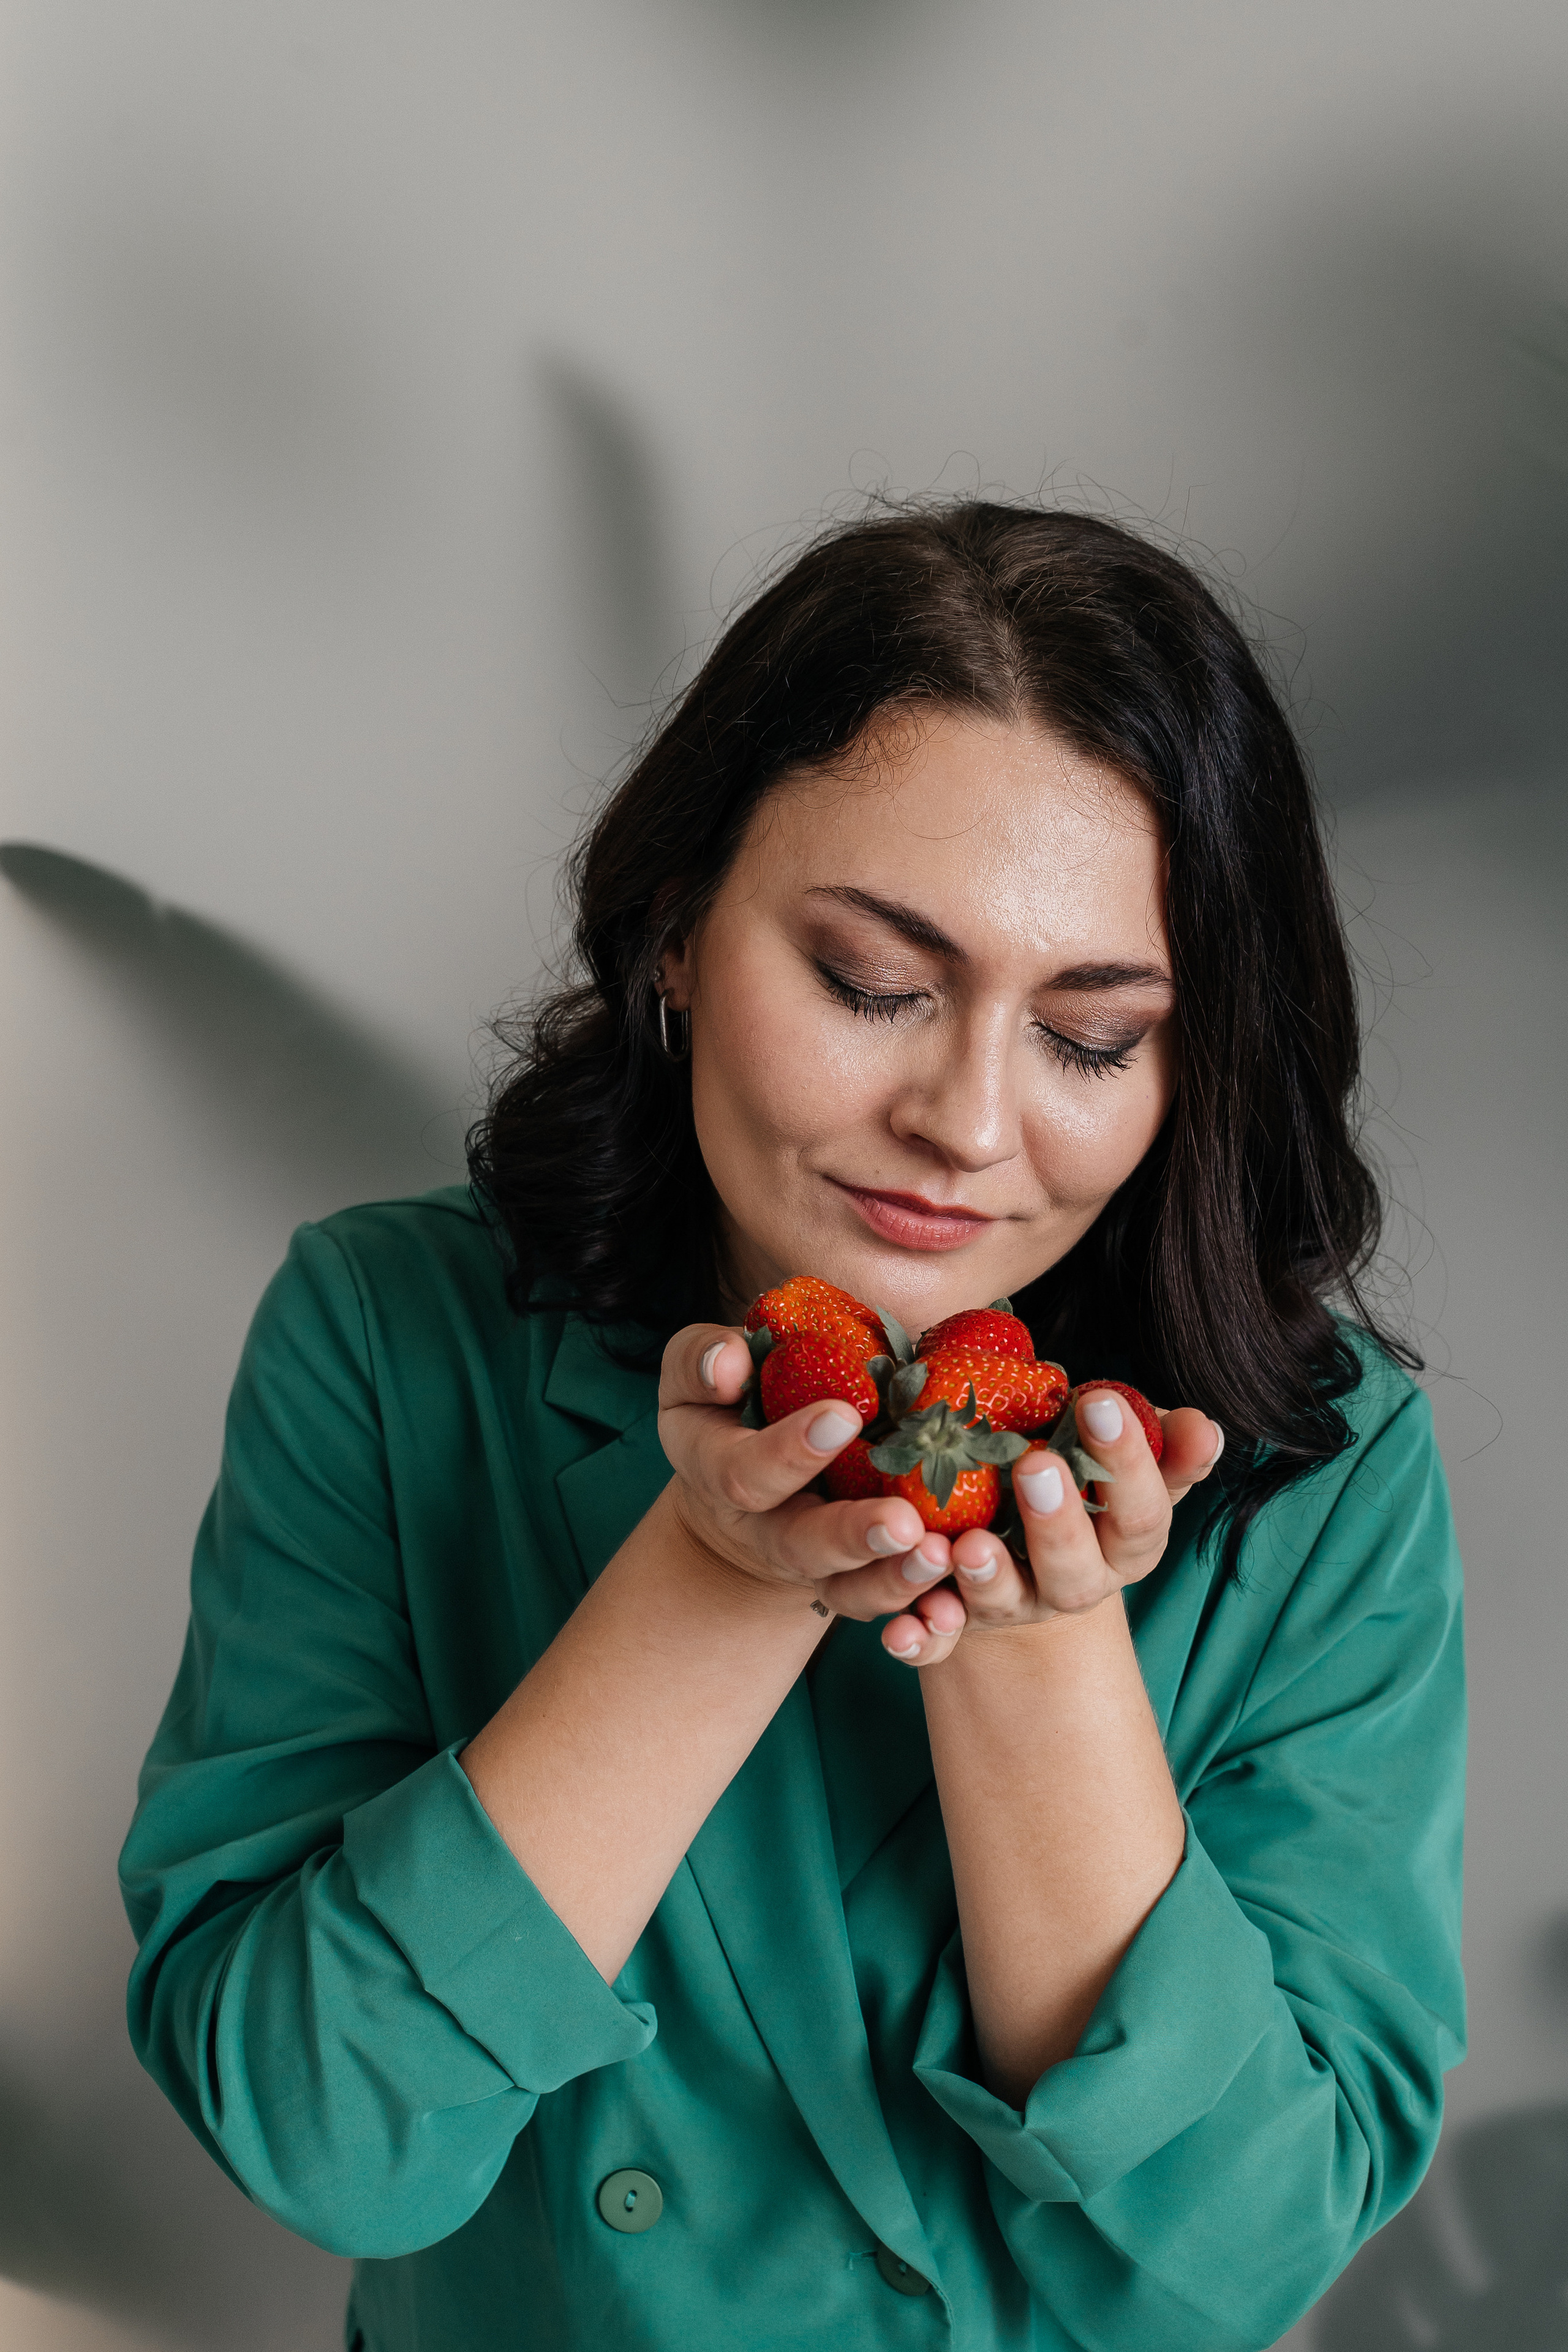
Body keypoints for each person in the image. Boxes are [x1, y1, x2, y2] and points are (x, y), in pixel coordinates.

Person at [119, 502, 1465, 2352]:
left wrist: (1043, 1639)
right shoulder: (390, 1335)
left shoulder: (1326, 1469)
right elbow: (326, 2139)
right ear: (675, 929)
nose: (969, 1123)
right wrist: (714, 1569)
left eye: (1090, 1037)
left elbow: (1236, 2267)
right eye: (873, 985)